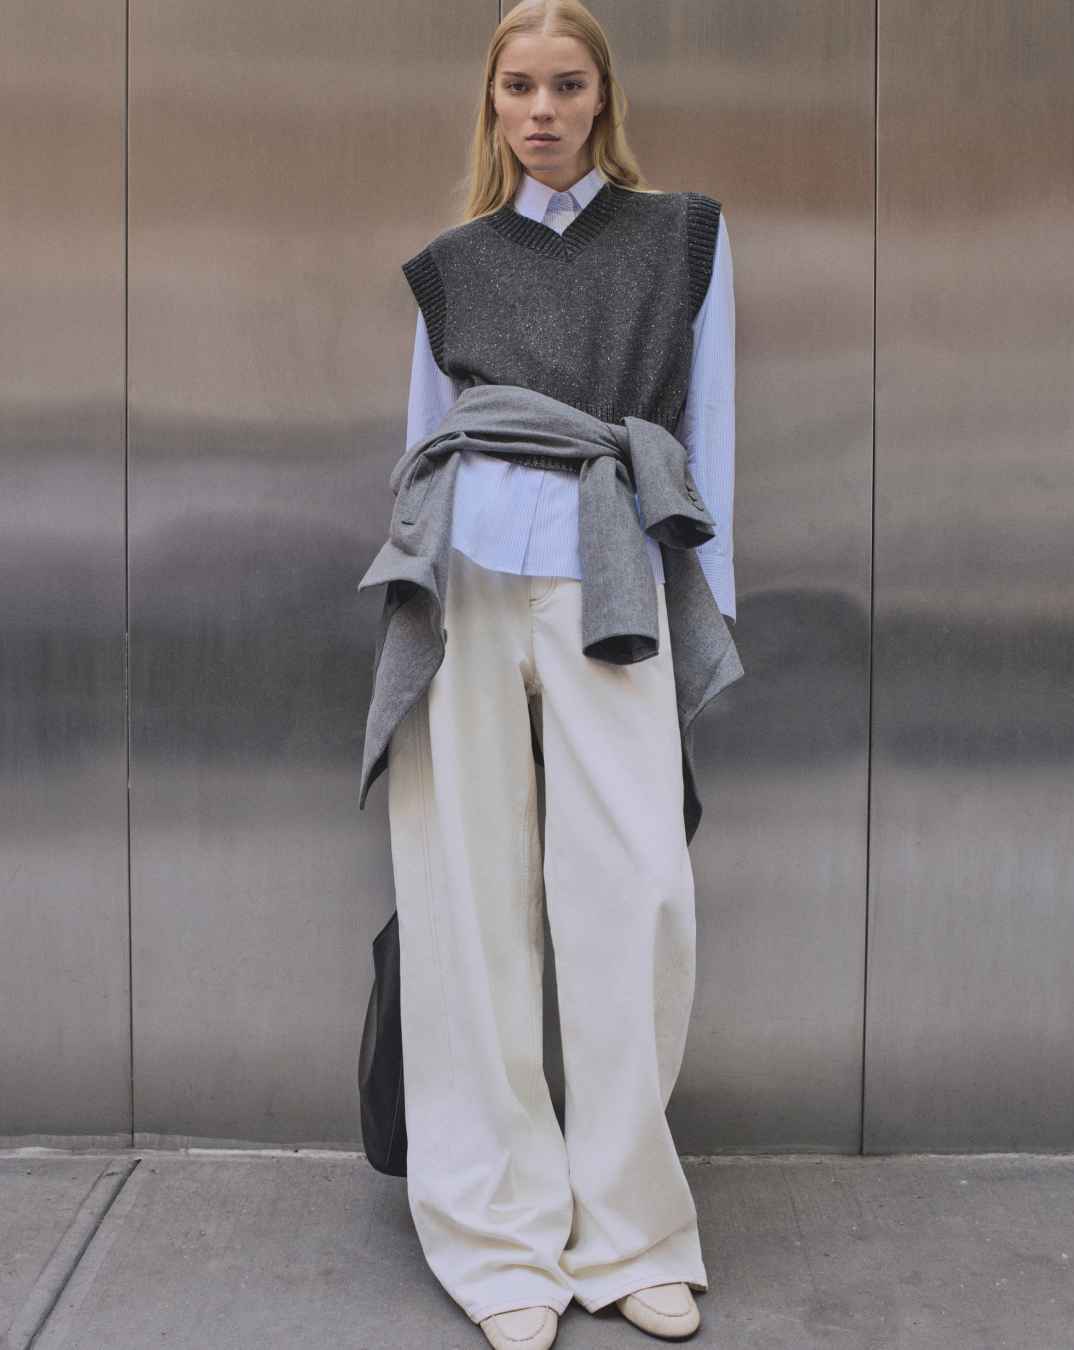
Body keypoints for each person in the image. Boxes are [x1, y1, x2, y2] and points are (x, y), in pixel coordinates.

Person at [376, 3, 736, 1346]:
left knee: (637, 894)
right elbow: (423, 443)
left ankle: (633, 1228)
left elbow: (710, 425)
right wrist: (409, 594)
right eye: (519, 86)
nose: (541, 109)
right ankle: (499, 1239)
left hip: (614, 576)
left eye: (566, 84)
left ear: (602, 96)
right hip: (465, 576)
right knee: (469, 901)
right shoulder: (453, 263)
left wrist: (707, 607)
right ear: (492, 100)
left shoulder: (682, 234)